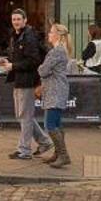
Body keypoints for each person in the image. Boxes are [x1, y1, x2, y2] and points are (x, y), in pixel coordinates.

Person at [0, 8, 50, 160]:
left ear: (25, 20)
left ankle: (24, 150)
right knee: (23, 115)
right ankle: (44, 141)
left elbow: (34, 61)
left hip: (28, 80)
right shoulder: (16, 35)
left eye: (19, 19)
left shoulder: (29, 37)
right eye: (14, 19)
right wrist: (7, 62)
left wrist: (13, 66)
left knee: (25, 116)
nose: (16, 22)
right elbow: (19, 58)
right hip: (19, 79)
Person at [38, 22, 75, 169]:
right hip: (57, 90)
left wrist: (40, 67)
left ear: (58, 35)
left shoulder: (56, 52)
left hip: (55, 91)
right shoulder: (60, 51)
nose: (48, 34)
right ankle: (58, 154)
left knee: (50, 124)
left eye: (51, 32)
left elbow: (43, 70)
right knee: (57, 124)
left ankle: (64, 155)